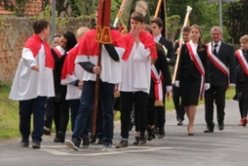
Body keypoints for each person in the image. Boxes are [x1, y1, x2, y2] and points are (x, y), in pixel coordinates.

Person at [65, 27, 125, 151]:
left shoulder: (116, 35)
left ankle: (107, 140)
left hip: (108, 77)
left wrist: (106, 42)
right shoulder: (89, 35)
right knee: (84, 106)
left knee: (107, 109)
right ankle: (76, 138)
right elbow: (81, 59)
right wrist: (92, 68)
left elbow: (116, 56)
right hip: (90, 77)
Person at [9, 19, 54, 148]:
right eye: (48, 29)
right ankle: (24, 136)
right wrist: (32, 63)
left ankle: (37, 138)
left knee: (40, 111)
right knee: (25, 111)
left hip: (41, 85)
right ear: (45, 30)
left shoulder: (44, 44)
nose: (49, 31)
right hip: (29, 84)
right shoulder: (32, 42)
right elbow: (27, 54)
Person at [117, 12, 157, 148]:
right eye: (132, 23)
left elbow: (144, 56)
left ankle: (140, 134)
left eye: (136, 23)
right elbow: (120, 55)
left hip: (141, 79)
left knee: (140, 110)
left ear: (142, 24)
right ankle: (124, 136)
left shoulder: (148, 38)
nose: (133, 26)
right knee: (125, 109)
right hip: (127, 79)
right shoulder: (125, 37)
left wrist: (137, 40)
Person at [175, 25, 208, 136]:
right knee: (185, 102)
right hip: (185, 77)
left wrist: (206, 80)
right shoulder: (185, 47)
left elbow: (205, 65)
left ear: (199, 34)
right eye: (192, 32)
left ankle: (191, 125)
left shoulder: (203, 47)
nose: (194, 34)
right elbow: (181, 63)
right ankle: (190, 121)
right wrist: (177, 78)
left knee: (193, 101)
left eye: (196, 32)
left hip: (196, 77)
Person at [60, 26, 90, 146]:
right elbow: (66, 73)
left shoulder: (91, 52)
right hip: (74, 88)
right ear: (77, 38)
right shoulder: (72, 53)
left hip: (87, 87)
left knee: (87, 112)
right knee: (75, 112)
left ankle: (85, 134)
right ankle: (75, 134)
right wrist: (77, 82)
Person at [204, 26, 236, 133]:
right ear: (211, 35)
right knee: (208, 103)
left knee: (220, 102)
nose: (215, 36)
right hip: (208, 81)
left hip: (222, 80)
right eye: (214, 34)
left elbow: (232, 65)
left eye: (217, 34)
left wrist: (232, 81)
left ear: (221, 35)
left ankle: (220, 121)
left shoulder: (228, 47)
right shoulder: (206, 47)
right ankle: (209, 125)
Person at [50, 31, 77, 143]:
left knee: (64, 108)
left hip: (67, 82)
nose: (61, 45)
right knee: (56, 108)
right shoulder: (54, 51)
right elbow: (54, 64)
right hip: (56, 82)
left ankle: (62, 131)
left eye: (64, 43)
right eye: (61, 42)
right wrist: (66, 55)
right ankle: (57, 131)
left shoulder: (73, 52)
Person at [147, 41, 171, 140]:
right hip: (145, 82)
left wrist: (169, 83)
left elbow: (165, 68)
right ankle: (149, 127)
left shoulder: (158, 50)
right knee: (148, 108)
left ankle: (161, 127)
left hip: (157, 83)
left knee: (159, 107)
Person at [171, 26, 190, 126]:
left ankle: (180, 116)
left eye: (187, 35)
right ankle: (178, 111)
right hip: (177, 73)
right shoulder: (177, 43)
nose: (185, 37)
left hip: (186, 74)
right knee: (175, 95)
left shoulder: (191, 45)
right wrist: (177, 53)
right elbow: (173, 58)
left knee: (184, 96)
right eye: (184, 35)